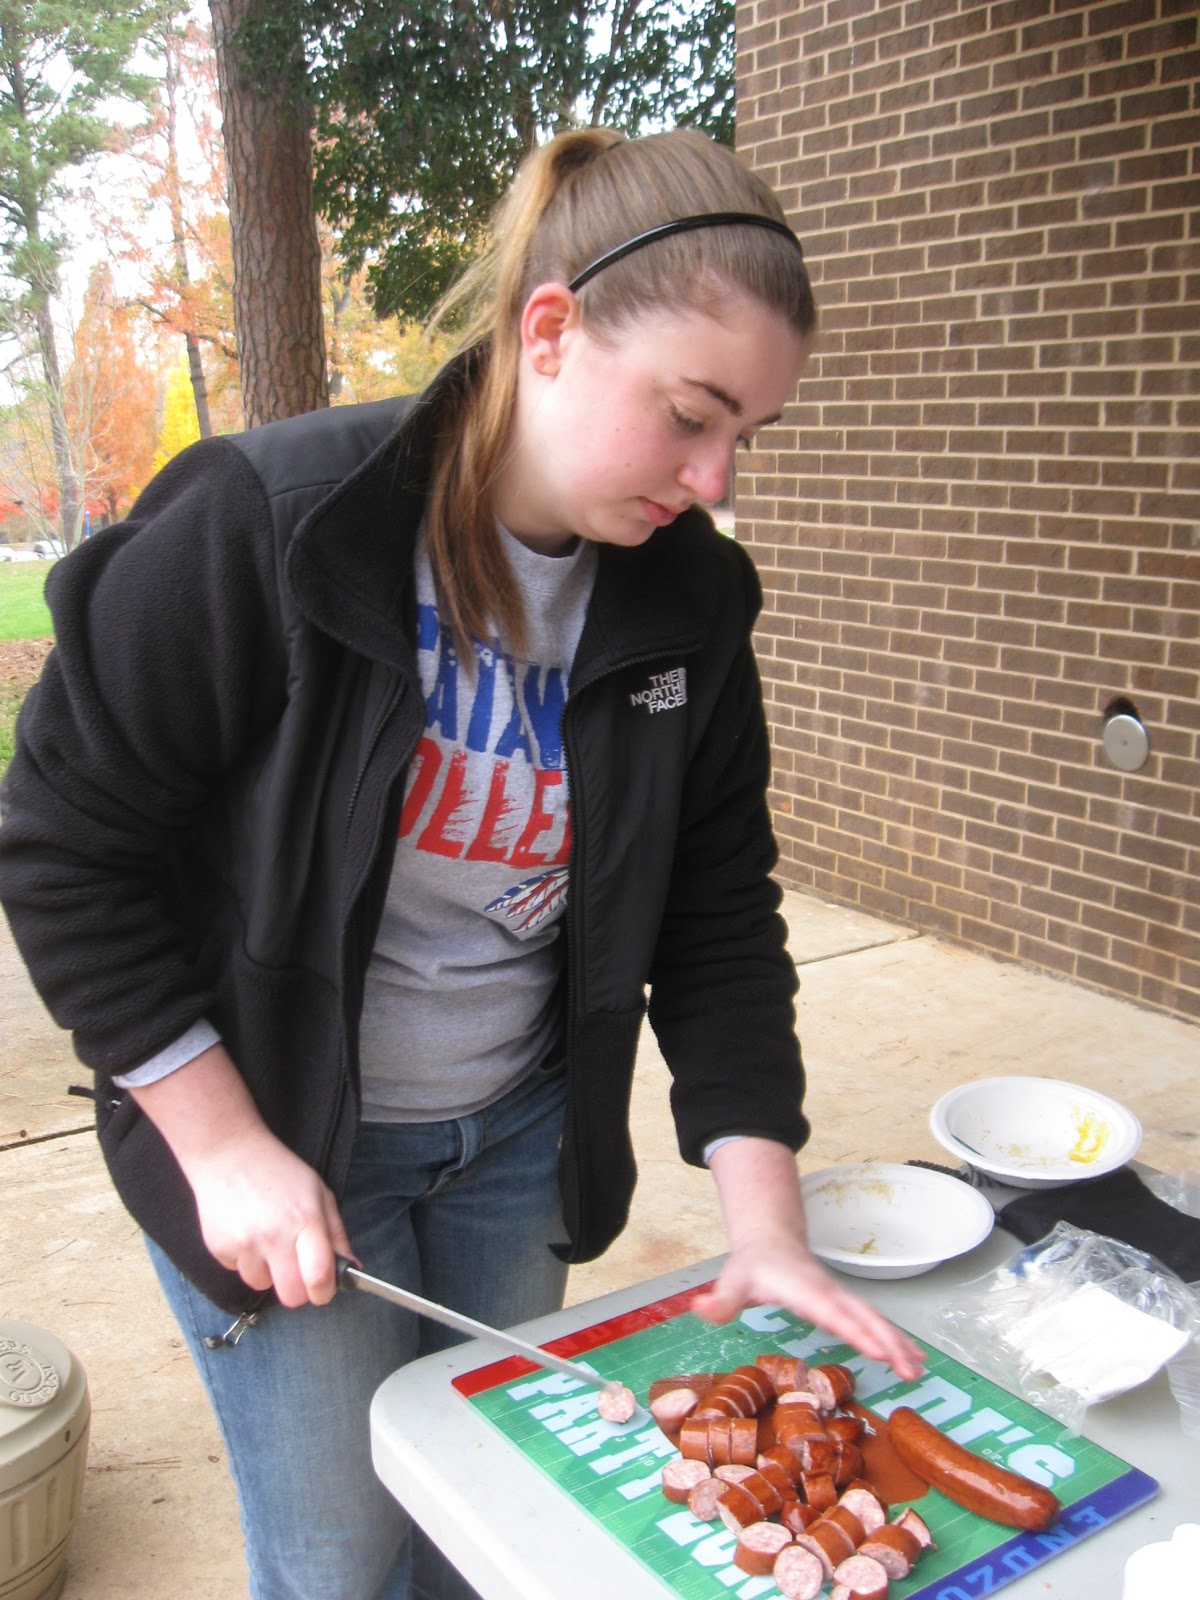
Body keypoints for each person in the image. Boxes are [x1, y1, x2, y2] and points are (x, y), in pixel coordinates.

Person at [0, 126, 924, 1600]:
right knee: (342, 1560)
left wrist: (765, 1225)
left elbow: (715, 911)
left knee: (483, 1524)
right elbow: (60, 843)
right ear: (549, 328)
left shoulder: (695, 600)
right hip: (286, 1135)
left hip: (515, 1139)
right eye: (691, 414)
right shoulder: (268, 525)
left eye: (747, 435)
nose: (715, 477)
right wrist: (222, 1144)